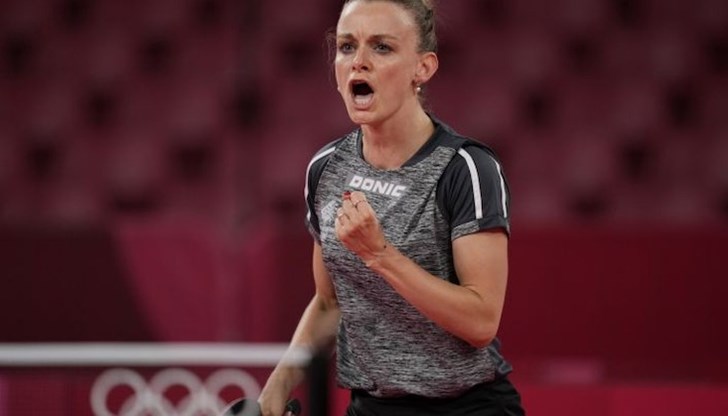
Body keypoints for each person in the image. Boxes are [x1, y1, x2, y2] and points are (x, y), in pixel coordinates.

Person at [258, 0, 524, 415]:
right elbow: (329, 303)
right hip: (372, 405)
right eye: (347, 46)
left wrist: (379, 255)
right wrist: (278, 385)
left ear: (423, 68)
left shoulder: (466, 168)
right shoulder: (326, 168)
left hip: (468, 407)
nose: (359, 62)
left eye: (381, 47)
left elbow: (481, 322)